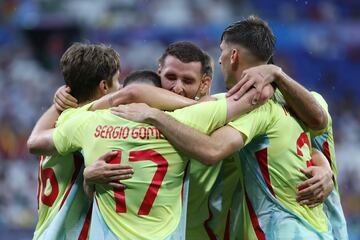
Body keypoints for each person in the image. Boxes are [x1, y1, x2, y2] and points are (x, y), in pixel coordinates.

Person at [112, 16, 335, 239]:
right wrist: (89, 178)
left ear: (205, 83)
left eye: (187, 80)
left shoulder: (231, 111)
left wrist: (325, 168)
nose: (177, 87)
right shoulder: (133, 118)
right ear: (158, 72)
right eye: (171, 77)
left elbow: (311, 129)